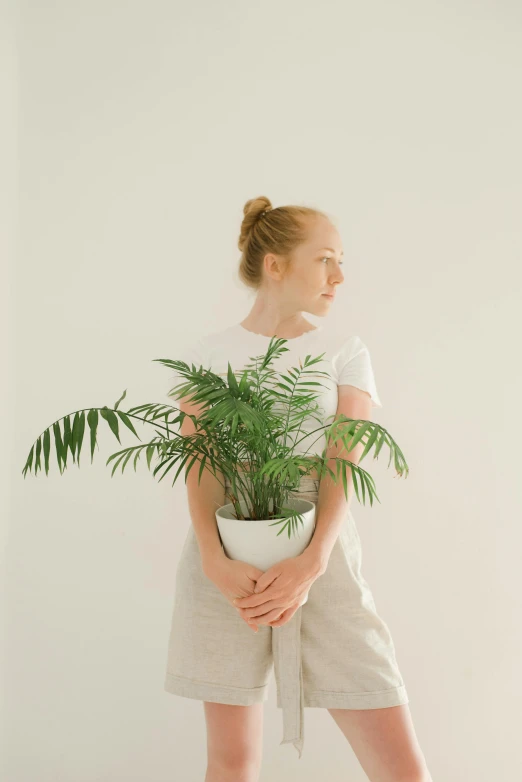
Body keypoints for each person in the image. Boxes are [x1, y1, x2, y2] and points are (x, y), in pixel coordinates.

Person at [164, 197, 432, 781]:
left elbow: (341, 462)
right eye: (326, 260)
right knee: (231, 762)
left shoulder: (343, 352)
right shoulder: (209, 355)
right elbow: (202, 467)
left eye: (341, 261)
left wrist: (312, 562)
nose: (340, 277)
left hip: (324, 550)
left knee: (400, 766)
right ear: (275, 264)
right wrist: (214, 560)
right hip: (226, 557)